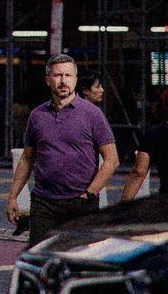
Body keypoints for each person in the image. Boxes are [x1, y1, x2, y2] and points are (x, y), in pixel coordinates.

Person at [7, 55, 120, 247]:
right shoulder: (37, 115)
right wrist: (12, 197)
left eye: (68, 75)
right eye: (58, 75)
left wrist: (90, 193)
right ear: (47, 80)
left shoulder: (93, 114)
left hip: (81, 203)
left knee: (80, 258)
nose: (63, 80)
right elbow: (27, 159)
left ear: (75, 80)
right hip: (44, 203)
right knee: (41, 257)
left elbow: (112, 159)